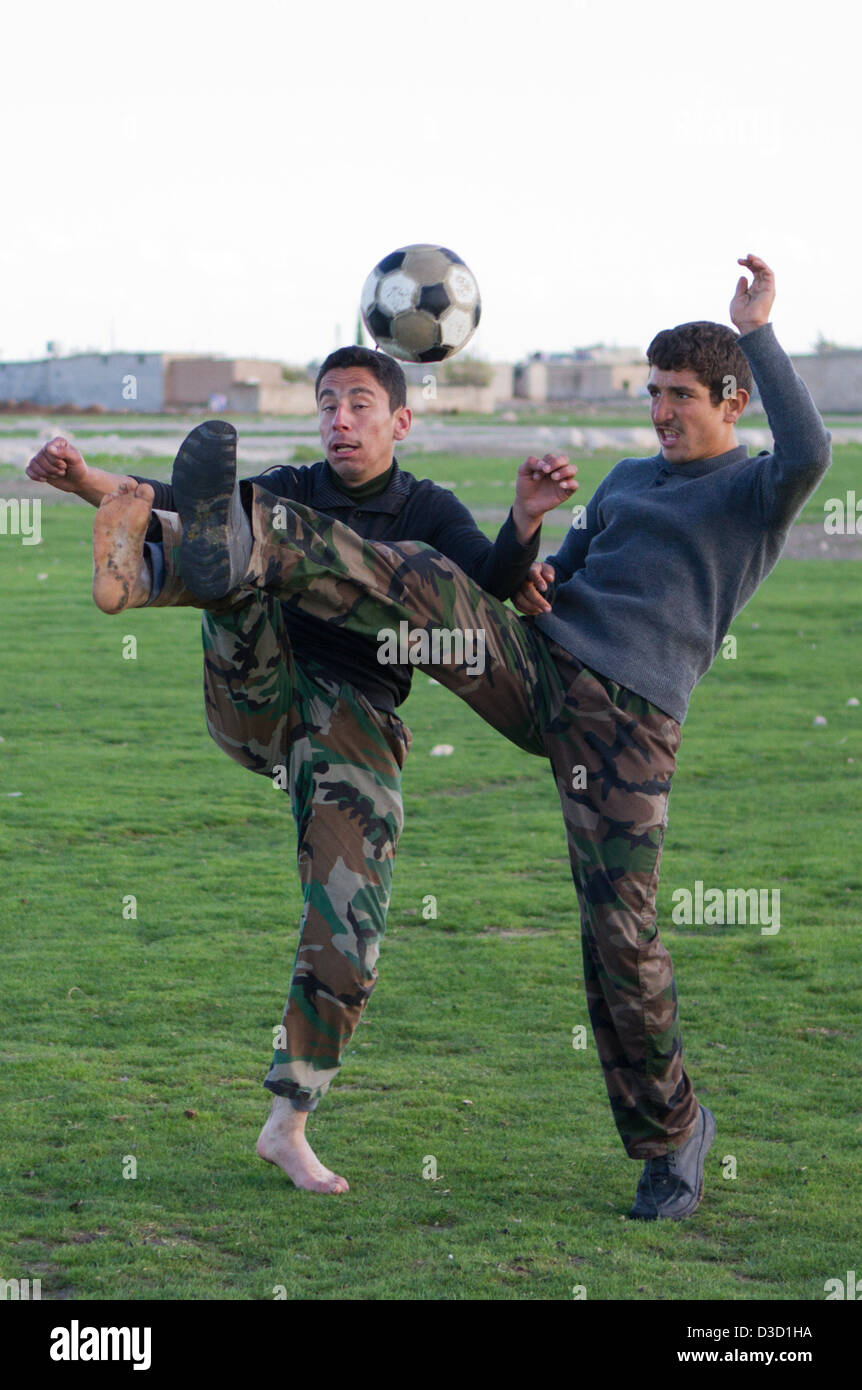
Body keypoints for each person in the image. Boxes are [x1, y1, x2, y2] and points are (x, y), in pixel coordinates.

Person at [80, 254, 832, 1220]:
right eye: (652, 393)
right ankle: (244, 537)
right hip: (537, 666)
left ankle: (674, 1136)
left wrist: (760, 328)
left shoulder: (757, 490)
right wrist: (531, 541)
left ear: (731, 400)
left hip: (629, 726)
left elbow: (809, 449)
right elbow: (537, 581)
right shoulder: (627, 480)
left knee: (621, 937)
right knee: (424, 573)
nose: (660, 412)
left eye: (680, 396)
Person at [27, 345, 576, 1194]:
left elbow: (484, 585)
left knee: (351, 923)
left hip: (351, 722)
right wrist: (81, 479)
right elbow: (177, 501)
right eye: (326, 404)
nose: (339, 420)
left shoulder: (424, 506)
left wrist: (526, 518)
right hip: (262, 688)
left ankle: (289, 1124)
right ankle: (139, 573)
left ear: (399, 420)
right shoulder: (293, 486)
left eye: (359, 404)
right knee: (233, 538)